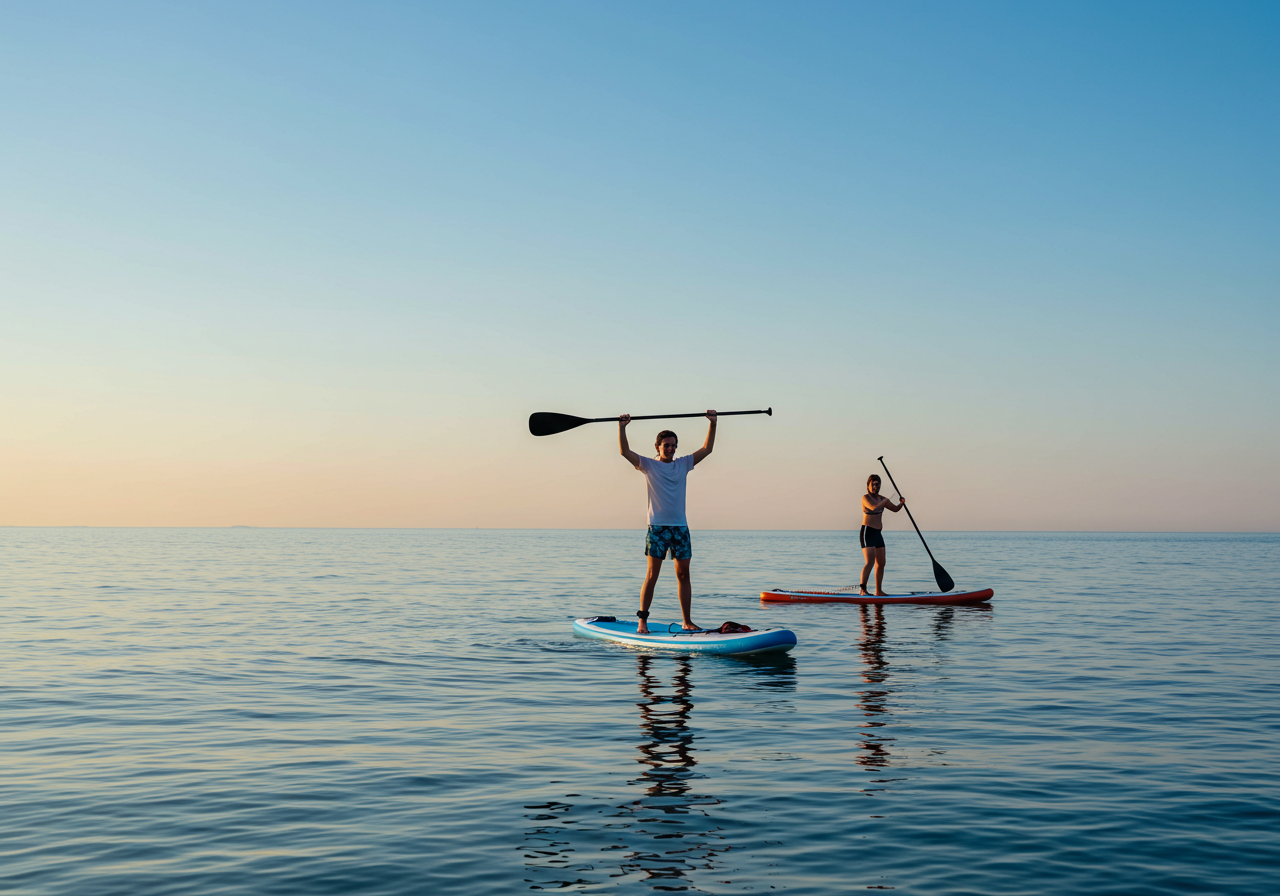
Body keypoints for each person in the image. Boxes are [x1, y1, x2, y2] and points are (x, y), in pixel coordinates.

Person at [619, 411, 717, 633]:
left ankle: (687, 621)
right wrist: (622, 427)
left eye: (674, 445)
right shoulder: (648, 465)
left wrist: (713, 424)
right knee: (652, 575)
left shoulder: (683, 464)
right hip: (658, 527)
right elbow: (624, 451)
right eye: (667, 445)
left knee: (684, 575)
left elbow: (707, 449)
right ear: (658, 447)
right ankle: (642, 621)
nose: (671, 449)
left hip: (681, 527)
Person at [859, 474, 905, 596]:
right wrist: (884, 501)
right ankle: (863, 590)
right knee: (869, 562)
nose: (875, 486)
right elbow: (873, 508)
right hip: (867, 532)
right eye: (873, 484)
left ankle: (878, 591)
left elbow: (894, 509)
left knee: (881, 563)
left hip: (878, 534)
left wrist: (901, 503)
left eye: (877, 484)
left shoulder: (882, 499)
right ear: (868, 485)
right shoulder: (865, 498)